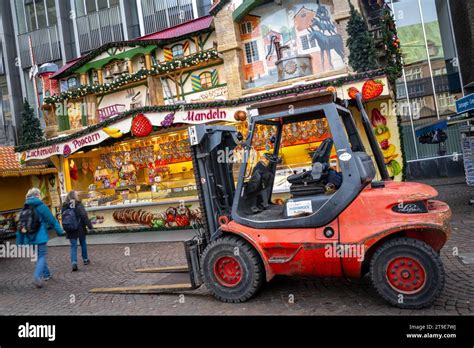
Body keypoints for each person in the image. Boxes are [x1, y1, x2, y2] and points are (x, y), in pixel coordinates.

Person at [16, 188, 65, 288]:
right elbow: (52, 220)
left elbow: (20, 225)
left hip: (29, 237)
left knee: (39, 256)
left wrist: (19, 241)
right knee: (42, 255)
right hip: (40, 236)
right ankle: (37, 276)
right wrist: (60, 232)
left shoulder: (25, 207)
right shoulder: (41, 206)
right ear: (37, 195)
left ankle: (46, 274)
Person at [61, 190, 93, 272]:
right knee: (83, 243)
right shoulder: (78, 204)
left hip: (70, 228)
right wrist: (90, 226)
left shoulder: (64, 205)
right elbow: (84, 216)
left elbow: (63, 217)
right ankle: (85, 259)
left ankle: (74, 262)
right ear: (75, 196)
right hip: (80, 228)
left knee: (73, 246)